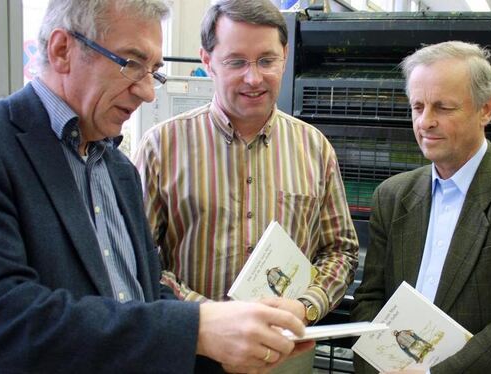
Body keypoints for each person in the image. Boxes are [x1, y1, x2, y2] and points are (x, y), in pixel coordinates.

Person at [0, 1, 313, 373]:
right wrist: (198, 329)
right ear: (61, 50)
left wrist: (231, 333)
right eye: (131, 64)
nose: (148, 91)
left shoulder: (118, 168)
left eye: (154, 71)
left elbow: (144, 295)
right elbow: (3, 319)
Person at [133, 0, 359, 371]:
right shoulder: (161, 147)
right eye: (236, 62)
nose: (254, 78)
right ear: (207, 62)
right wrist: (211, 318)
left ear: (285, 57)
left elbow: (341, 251)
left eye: (266, 60)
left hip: (285, 358)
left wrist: (306, 304)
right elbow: (141, 262)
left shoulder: (314, 148)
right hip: (192, 356)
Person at [351, 41, 491, 374]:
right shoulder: (392, 196)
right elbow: (370, 303)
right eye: (417, 106)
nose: (425, 122)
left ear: (486, 108)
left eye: (443, 107)